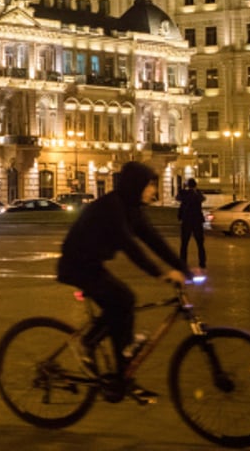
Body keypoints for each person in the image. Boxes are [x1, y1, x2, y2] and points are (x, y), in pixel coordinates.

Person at [56, 161, 188, 404]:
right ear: (136, 185)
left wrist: (184, 269)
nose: (154, 192)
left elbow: (153, 240)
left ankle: (121, 376)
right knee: (122, 300)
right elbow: (130, 246)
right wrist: (160, 273)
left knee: (123, 306)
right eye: (150, 186)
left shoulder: (131, 209)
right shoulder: (112, 207)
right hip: (75, 265)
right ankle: (88, 342)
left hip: (92, 263)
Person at [176, 178, 207, 271]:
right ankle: (202, 263)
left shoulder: (184, 193)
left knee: (184, 243)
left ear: (188, 185)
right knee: (200, 243)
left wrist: (184, 189)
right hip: (197, 220)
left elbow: (178, 198)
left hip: (187, 220)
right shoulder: (197, 193)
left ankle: (183, 262)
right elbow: (203, 199)